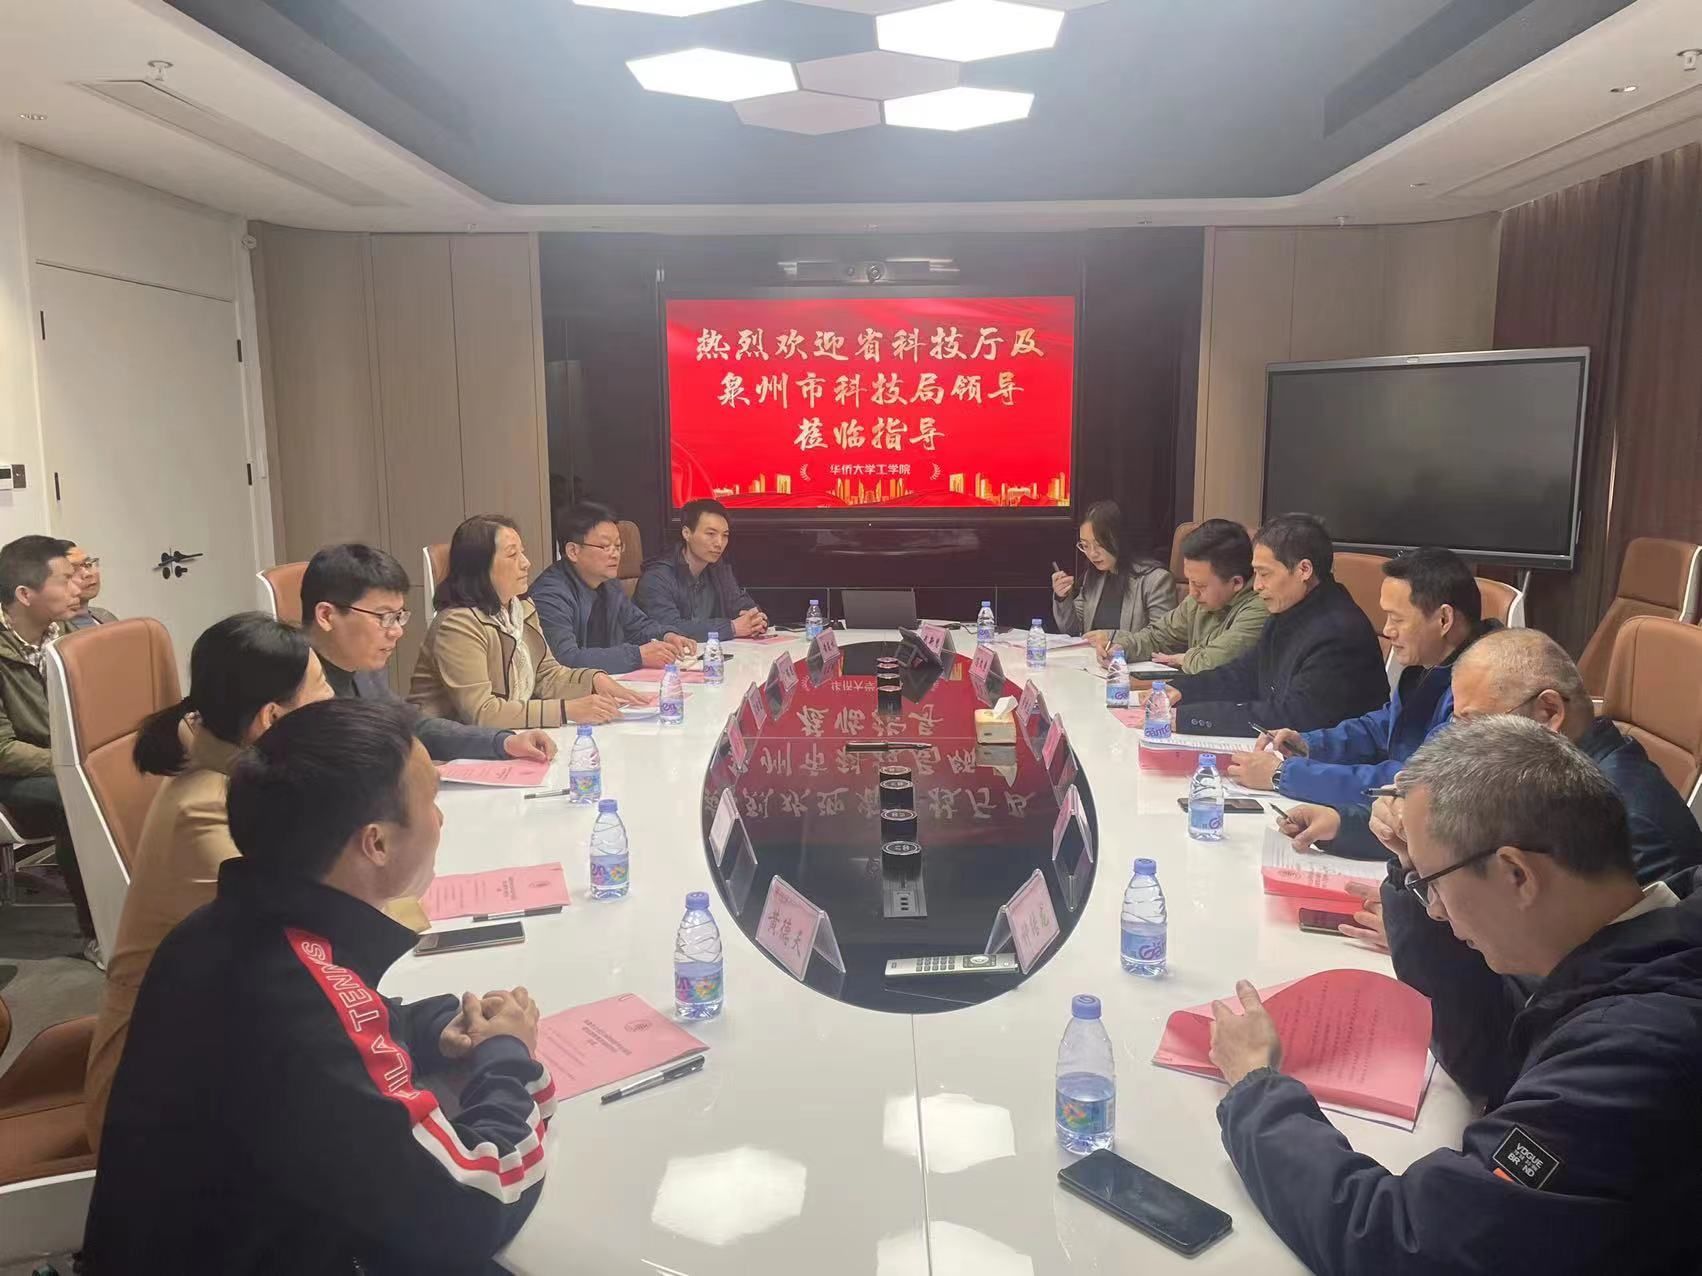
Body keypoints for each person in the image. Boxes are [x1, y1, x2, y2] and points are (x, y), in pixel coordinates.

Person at [1208, 716, 1702, 1276]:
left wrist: (1255, 1089)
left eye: (1434, 884)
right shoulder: (1631, 947)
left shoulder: (1632, 1058)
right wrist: (1411, 865)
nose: (1437, 911)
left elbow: (1407, 1245)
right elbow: (1489, 1057)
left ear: (1517, 875)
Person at [83, 699, 555, 1272]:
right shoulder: (299, 1004)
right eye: (430, 801)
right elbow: (470, 1206)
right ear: (376, 843)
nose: (440, 819)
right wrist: (508, 1058)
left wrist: (433, 1029)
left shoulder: (224, 930)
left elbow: (332, 1040)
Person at [1283, 626, 1702, 944]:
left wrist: (1421, 937)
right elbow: (1465, 833)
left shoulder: (1624, 821)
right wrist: (1350, 824)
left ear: (1548, 712)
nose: (1460, 742)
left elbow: (1557, 972)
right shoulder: (1543, 774)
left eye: (1475, 724)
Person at [84, 613, 333, 1147]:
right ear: (270, 717)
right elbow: (301, 936)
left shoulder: (242, 775)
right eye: (321, 687)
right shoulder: (209, 810)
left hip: (220, 1031)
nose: (333, 698)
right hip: (151, 1088)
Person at [1229, 547, 1493, 805]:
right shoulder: (1430, 665)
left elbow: (1412, 781)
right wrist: (1308, 745)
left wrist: (1283, 775)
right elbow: (1383, 727)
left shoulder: (1481, 691)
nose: (1387, 630)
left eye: (1397, 619)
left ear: (1444, 619)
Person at [302, 543, 559, 762]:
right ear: (326, 615)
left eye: (398, 616)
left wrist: (502, 742)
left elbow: (411, 726)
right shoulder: (295, 682)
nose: (397, 631)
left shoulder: (360, 666)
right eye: (383, 617)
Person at [1162, 512, 1387, 736]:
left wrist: (1188, 718)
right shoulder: (1288, 611)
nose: (1257, 586)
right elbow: (1244, 673)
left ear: (1304, 570)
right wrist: (1181, 690)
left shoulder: (1339, 633)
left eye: (1265, 574)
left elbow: (1291, 716)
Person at [409, 514, 641, 727]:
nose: (526, 563)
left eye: (523, 552)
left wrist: (593, 679)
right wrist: (566, 710)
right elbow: (482, 713)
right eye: (513, 555)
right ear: (480, 565)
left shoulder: (521, 607)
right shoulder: (457, 625)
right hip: (448, 749)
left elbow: (546, 675)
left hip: (504, 739)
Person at [0, 534, 95, 951]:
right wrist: (72, 763)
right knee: (75, 795)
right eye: (64, 580)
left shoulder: (69, 635)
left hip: (67, 760)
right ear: (25, 594)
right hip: (15, 772)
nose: (78, 585)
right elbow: (3, 750)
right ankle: (100, 932)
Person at [529, 502, 695, 674]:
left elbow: (637, 626)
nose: (615, 554)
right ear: (573, 551)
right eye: (605, 546)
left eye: (618, 546)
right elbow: (565, 658)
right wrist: (637, 656)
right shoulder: (549, 594)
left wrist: (667, 635)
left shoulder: (609, 584)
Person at [1086, 518, 1267, 674]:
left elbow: (1214, 661)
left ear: (1236, 583)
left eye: (1200, 585)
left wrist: (1184, 659)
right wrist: (1122, 649)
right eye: (1189, 581)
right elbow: (1157, 637)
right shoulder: (1196, 602)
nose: (1192, 593)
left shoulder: (1260, 607)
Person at [635, 497, 767, 641]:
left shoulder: (718, 569)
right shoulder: (657, 577)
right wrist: (732, 628)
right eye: (711, 534)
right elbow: (669, 627)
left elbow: (741, 604)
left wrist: (756, 619)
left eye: (725, 535)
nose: (719, 543)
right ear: (686, 533)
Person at [1049, 500, 1174, 638]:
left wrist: (1110, 638)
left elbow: (1162, 638)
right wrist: (1062, 597)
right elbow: (1073, 630)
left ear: (1120, 539)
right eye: (1085, 545)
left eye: (1099, 544)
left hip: (1126, 653)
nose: (1092, 553)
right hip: (1091, 652)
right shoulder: (1093, 576)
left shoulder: (1155, 580)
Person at [65, 543, 117, 629]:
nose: (88, 574)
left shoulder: (106, 616)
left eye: (88, 564)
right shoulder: (50, 629)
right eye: (73, 569)